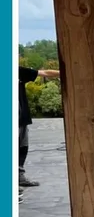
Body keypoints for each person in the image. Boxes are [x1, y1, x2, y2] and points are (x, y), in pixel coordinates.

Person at [18, 65, 59, 201]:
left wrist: (67, 73)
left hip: (21, 118)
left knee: (22, 147)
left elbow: (44, 72)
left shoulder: (17, 71)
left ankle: (18, 175)